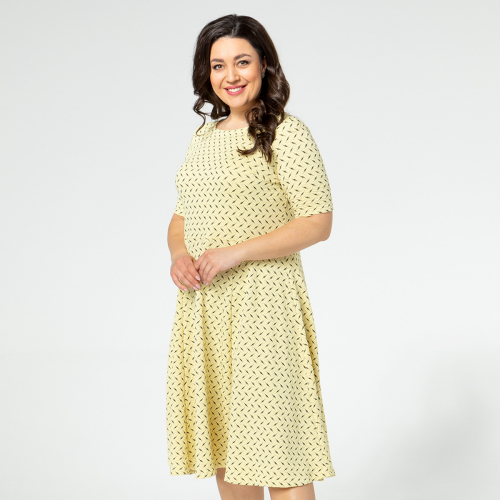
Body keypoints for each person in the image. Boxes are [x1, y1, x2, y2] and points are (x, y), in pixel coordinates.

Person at [166, 14, 336, 500]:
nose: (231, 76)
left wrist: (235, 254)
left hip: (265, 306)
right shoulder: (202, 139)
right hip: (206, 305)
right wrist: (179, 255)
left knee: (280, 451)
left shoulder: (287, 133)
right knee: (229, 448)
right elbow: (181, 216)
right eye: (218, 65)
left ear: (264, 64)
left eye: (242, 62)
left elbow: (318, 222)